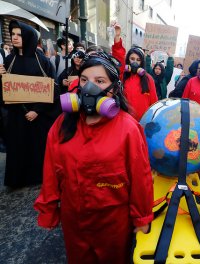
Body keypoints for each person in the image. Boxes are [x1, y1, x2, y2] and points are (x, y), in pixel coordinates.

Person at [34, 51, 154, 263]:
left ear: (114, 88)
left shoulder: (128, 128)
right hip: (74, 219)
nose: (89, 87)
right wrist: (48, 209)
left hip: (113, 223)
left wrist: (142, 218)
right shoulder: (63, 124)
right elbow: (51, 171)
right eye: (84, 80)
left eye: (99, 81)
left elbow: (141, 177)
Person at [0, 20, 59, 188]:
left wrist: (37, 111)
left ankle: (39, 177)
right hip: (17, 115)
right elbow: (5, 91)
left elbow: (52, 89)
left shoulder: (42, 61)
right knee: (18, 147)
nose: (15, 37)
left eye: (19, 34)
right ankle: (18, 179)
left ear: (28, 37)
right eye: (13, 34)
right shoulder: (9, 60)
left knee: (37, 148)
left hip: (38, 115)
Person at [111, 22, 158, 121]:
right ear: (128, 60)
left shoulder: (148, 79)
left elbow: (154, 103)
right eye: (132, 59)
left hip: (143, 122)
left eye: (138, 60)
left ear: (142, 62)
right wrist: (117, 37)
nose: (135, 62)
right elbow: (118, 57)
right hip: (125, 120)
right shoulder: (122, 75)